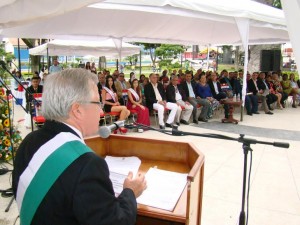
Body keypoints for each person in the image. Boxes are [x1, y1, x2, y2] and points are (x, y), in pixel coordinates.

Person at [12, 69, 147, 225]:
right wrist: (130, 192)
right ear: (77, 110)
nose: (101, 110)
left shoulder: (29, 141)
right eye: (98, 103)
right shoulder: (87, 165)